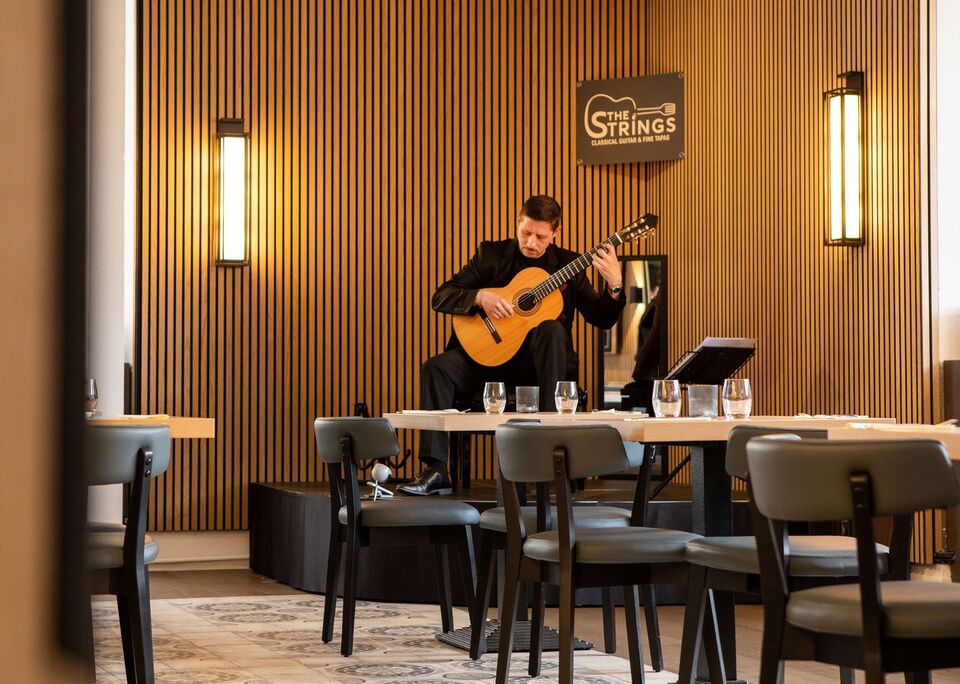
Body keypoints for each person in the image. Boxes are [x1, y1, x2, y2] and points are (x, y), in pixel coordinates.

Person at [398, 195, 626, 495]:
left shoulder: (569, 265)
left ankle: (548, 456)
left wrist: (614, 285)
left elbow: (601, 318)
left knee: (551, 329)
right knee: (435, 368)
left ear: (555, 233)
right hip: (486, 364)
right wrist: (480, 297)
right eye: (525, 232)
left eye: (540, 236)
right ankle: (436, 470)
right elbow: (441, 296)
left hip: (540, 371)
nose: (531, 242)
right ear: (518, 223)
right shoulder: (491, 254)